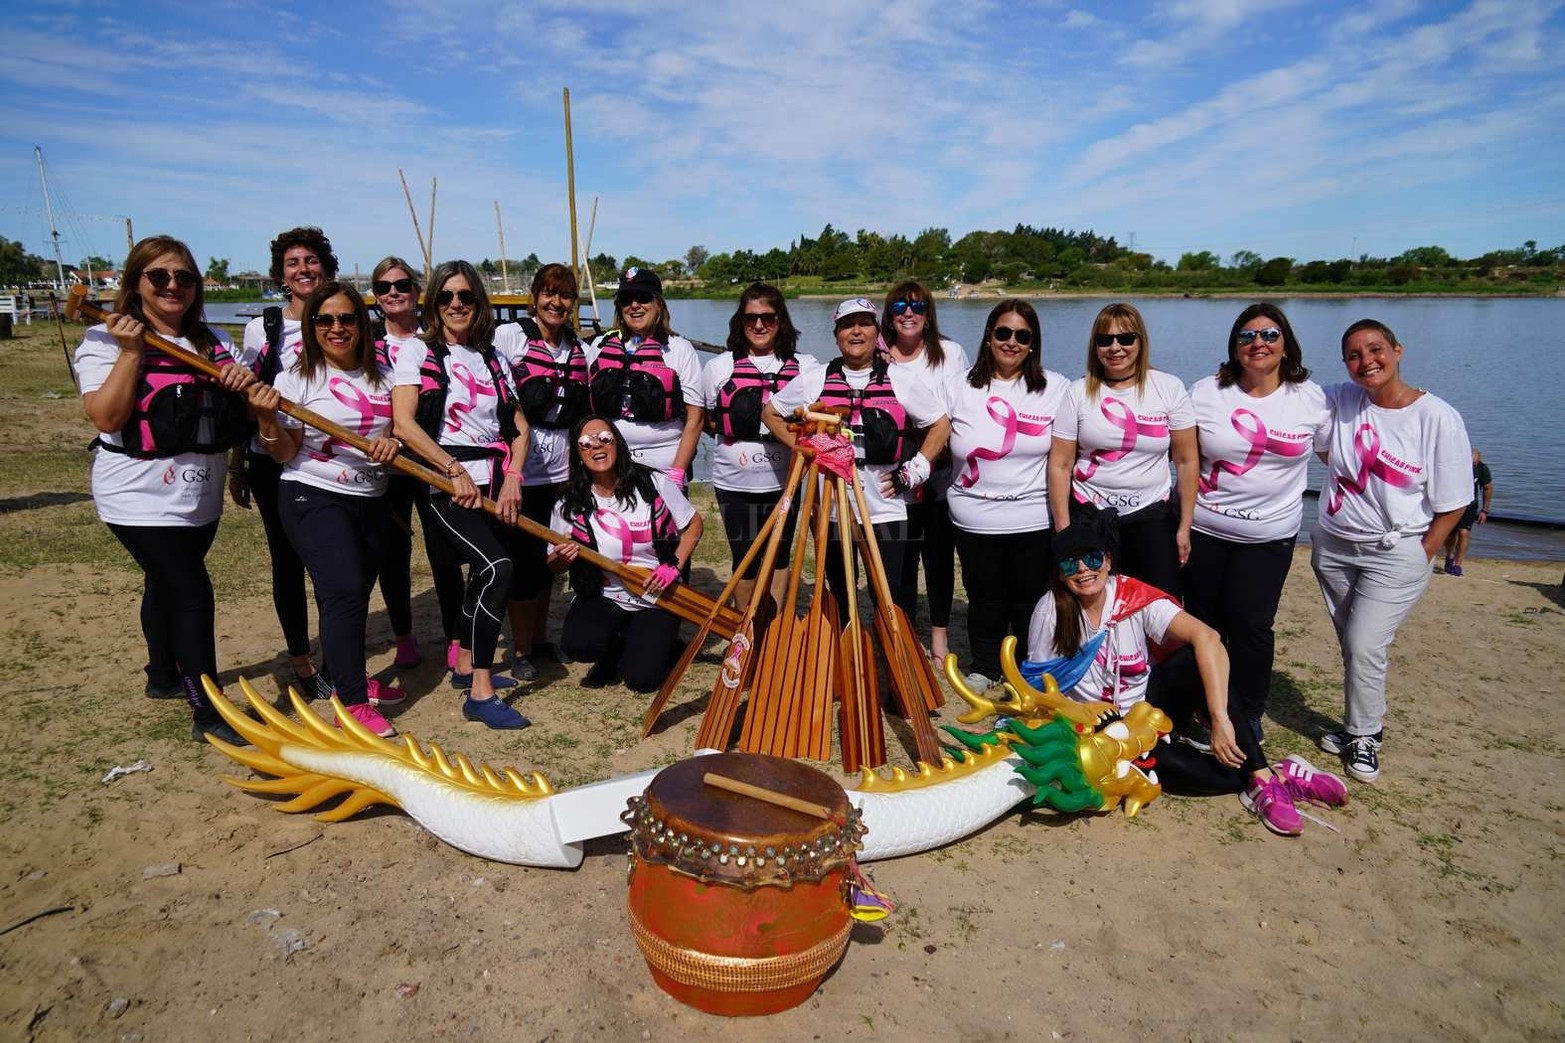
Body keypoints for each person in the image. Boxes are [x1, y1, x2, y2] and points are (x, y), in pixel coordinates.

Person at [1026, 505, 1348, 836]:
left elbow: (1207, 637)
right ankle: (1276, 775)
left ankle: (1262, 778)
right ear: (1061, 574)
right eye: (1070, 563)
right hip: (1097, 728)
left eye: (1092, 559)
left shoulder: (1133, 597)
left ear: (1107, 560)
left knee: (1193, 657)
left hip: (1149, 709)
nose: (1083, 570)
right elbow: (1039, 687)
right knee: (1188, 776)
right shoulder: (1051, 612)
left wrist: (1219, 719)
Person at [75, 235, 256, 744]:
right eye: (159, 277)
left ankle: (162, 676)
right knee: (191, 591)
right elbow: (106, 416)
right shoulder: (103, 340)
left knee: (165, 585)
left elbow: (233, 419)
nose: (173, 286)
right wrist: (132, 351)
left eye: (184, 277)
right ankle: (209, 712)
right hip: (135, 494)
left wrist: (239, 389)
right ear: (136, 284)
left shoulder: (215, 341)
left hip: (199, 495)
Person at [1312, 319, 1472, 783]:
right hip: (1335, 546)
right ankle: (1360, 725)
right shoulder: (1342, 400)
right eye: (1355, 356)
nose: (1367, 362)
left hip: (1396, 550)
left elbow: (1456, 499)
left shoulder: (1435, 415)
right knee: (1357, 645)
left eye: (1376, 350)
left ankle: (1364, 735)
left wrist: (1423, 550)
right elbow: (1321, 441)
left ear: (1398, 350)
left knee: (1365, 644)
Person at [245, 282, 404, 737]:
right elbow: (282, 453)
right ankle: (352, 705)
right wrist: (266, 419)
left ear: (362, 324)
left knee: (353, 594)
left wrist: (391, 442)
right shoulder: (295, 380)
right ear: (312, 326)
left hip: (371, 498)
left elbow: (399, 432)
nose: (337, 328)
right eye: (325, 319)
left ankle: (348, 676)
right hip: (311, 493)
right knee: (344, 590)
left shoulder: (384, 377)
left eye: (347, 318)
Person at [390, 260, 531, 729]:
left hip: (493, 481)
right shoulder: (416, 353)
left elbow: (519, 429)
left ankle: (467, 662)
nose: (456, 305)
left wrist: (513, 476)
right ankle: (481, 693)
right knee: (497, 568)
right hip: (446, 482)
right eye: (447, 297)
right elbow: (404, 424)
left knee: (480, 574)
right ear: (433, 302)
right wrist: (450, 469)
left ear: (478, 304)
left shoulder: (494, 358)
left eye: (466, 297)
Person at [1183, 303, 1329, 745]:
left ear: (1286, 345)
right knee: (1201, 623)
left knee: (1251, 627)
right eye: (1246, 336)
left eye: (1269, 335)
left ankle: (1247, 711)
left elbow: (1338, 457)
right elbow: (1184, 458)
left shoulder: (1311, 398)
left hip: (1269, 538)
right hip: (1205, 531)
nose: (1258, 344)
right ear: (1234, 346)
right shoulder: (1206, 392)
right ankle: (1200, 707)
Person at [762, 298, 949, 621]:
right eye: (848, 325)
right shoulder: (815, 378)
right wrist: (808, 448)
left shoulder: (900, 378)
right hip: (830, 505)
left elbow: (939, 424)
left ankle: (888, 655)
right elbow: (771, 413)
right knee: (838, 587)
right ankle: (842, 650)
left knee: (888, 589)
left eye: (864, 324)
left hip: (886, 505)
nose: (856, 332)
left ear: (877, 332)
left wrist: (915, 470)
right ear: (837, 335)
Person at [230, 227, 338, 698]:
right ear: (281, 274)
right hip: (273, 459)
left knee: (332, 562)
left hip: (330, 461)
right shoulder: (265, 327)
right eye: (293, 263)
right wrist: (238, 464)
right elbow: (247, 400)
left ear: (326, 267)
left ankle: (337, 656)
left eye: (310, 260)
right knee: (287, 562)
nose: (303, 270)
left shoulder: (342, 319)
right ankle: (300, 659)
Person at [940, 299, 1069, 691]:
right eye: (1003, 333)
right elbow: (930, 435)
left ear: (1033, 344)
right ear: (989, 337)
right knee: (984, 596)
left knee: (1030, 599)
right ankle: (985, 665)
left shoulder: (1056, 387)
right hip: (973, 518)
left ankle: (1029, 668)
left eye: (1022, 336)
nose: (1011, 342)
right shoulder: (958, 386)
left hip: (1032, 517)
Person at [1049, 303, 1196, 597]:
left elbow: (1186, 461)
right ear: (1095, 346)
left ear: (1140, 341)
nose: (1115, 347)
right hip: (1091, 515)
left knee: (1160, 604)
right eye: (1105, 340)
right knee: (1093, 605)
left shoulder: (1169, 387)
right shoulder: (1078, 392)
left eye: (1126, 338)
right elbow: (1060, 465)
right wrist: (1066, 531)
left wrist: (1184, 526)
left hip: (1151, 517)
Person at [547, 416, 704, 691]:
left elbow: (694, 524)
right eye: (586, 443)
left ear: (617, 443)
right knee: (579, 645)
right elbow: (553, 566)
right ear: (577, 453)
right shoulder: (568, 501)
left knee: (642, 681)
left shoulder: (653, 482)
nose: (597, 446)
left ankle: (653, 640)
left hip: (656, 596)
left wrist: (674, 566)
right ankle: (615, 645)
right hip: (605, 595)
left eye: (605, 438)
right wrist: (562, 558)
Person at [494, 263, 594, 679]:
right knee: (520, 560)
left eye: (565, 296)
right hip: (522, 468)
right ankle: (519, 652)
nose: (557, 302)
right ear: (534, 296)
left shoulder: (580, 350)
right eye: (549, 294)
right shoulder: (509, 337)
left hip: (561, 472)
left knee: (549, 558)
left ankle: (537, 639)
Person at [369, 256, 464, 673]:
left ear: (416, 291)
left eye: (402, 285)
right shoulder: (366, 344)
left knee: (444, 551)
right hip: (388, 465)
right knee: (393, 554)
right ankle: (404, 636)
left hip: (431, 459)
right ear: (375, 296)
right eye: (384, 287)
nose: (394, 293)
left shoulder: (436, 339)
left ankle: (455, 636)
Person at [701, 283, 815, 609]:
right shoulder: (719, 367)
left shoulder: (805, 366)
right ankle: (745, 627)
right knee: (745, 557)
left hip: (784, 483)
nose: (760, 325)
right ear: (741, 322)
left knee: (779, 555)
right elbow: (708, 418)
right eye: (751, 319)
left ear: (781, 321)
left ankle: (774, 625)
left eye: (768, 317)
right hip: (733, 483)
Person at [880, 280, 968, 664]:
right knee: (900, 557)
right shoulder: (878, 354)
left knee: (937, 556)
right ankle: (903, 628)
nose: (908, 313)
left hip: (940, 470)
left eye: (917, 306)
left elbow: (963, 408)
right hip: (891, 472)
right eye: (899, 306)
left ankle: (939, 634)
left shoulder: (950, 353)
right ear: (889, 314)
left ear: (929, 313)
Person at [586, 267, 703, 486]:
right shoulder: (598, 347)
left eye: (643, 298)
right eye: (626, 299)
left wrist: (677, 473)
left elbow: (695, 419)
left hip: (664, 467)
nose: (634, 305)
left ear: (659, 304)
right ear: (619, 308)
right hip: (611, 468)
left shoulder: (680, 350)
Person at [1442, 448, 1492, 576]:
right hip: (1453, 503)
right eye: (1470, 464)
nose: (1472, 466)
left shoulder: (1482, 469)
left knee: (1464, 533)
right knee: (1450, 535)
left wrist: (1485, 510)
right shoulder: (1456, 467)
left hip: (1470, 505)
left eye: (1475, 464)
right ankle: (1449, 556)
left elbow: (1487, 488)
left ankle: (1458, 565)